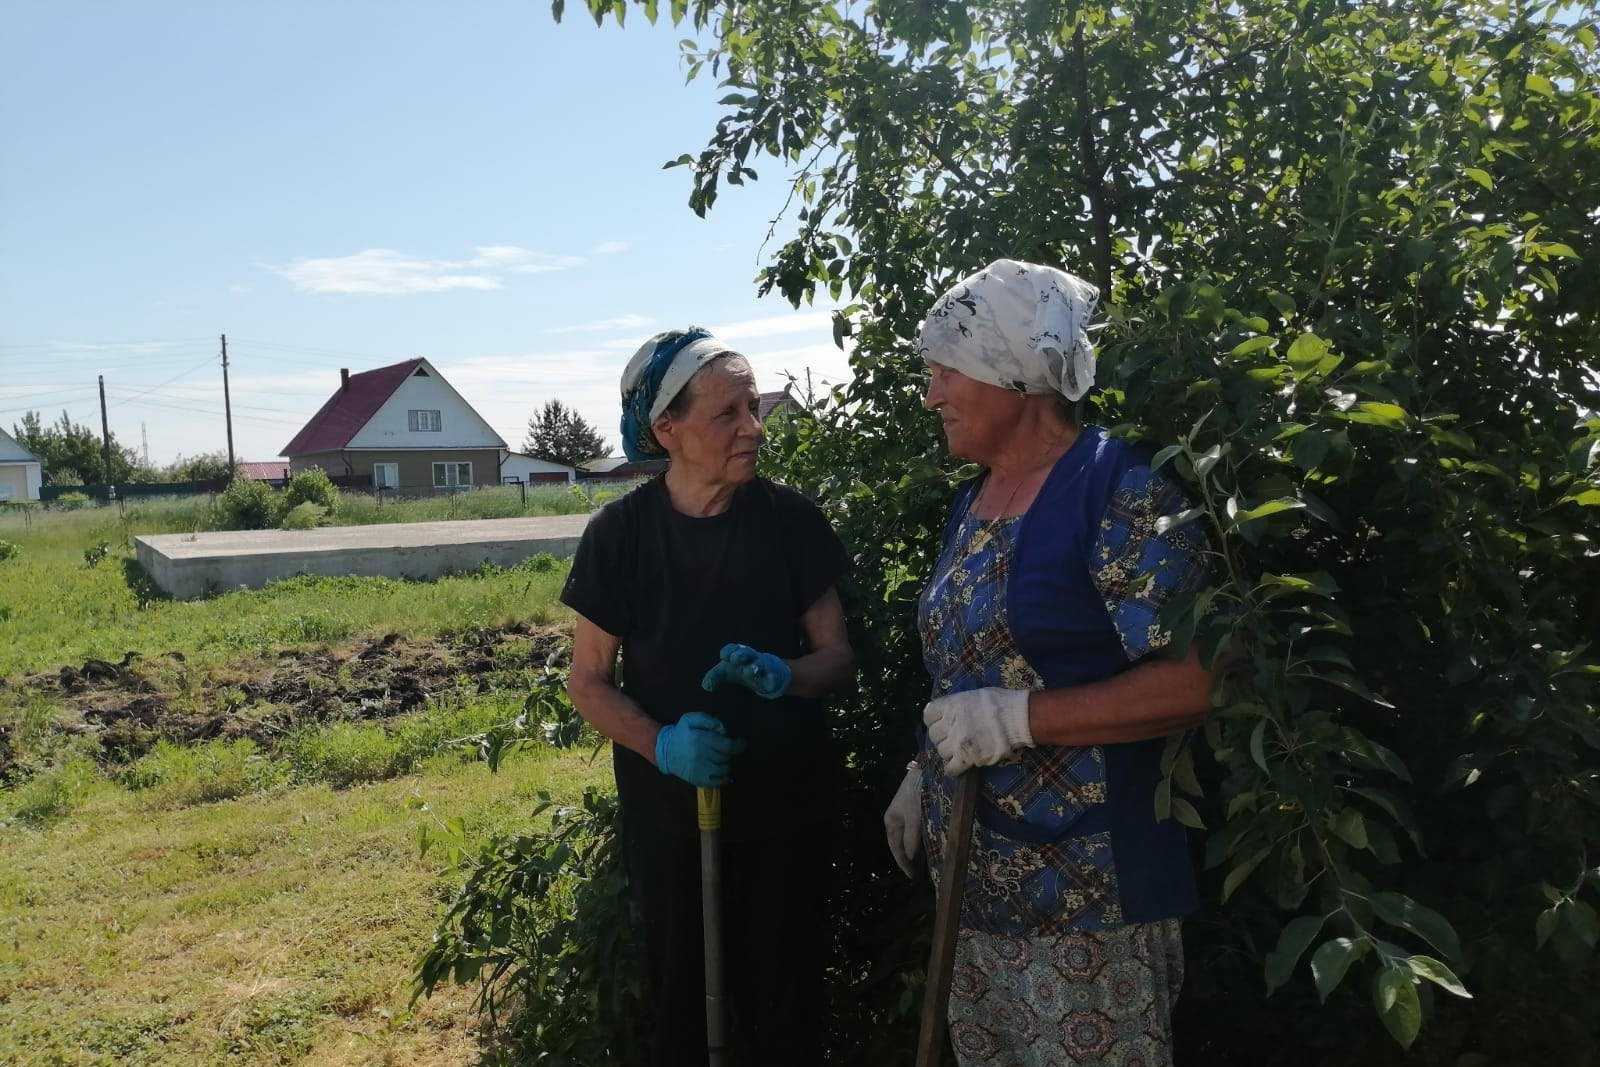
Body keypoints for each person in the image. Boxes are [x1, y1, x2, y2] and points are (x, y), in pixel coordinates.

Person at [882, 259, 1215, 1066]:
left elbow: (1198, 679)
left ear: (1009, 377)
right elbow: (969, 659)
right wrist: (929, 763)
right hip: (978, 886)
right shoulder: (974, 500)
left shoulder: (1118, 491)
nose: (930, 395)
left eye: (943, 371)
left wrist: (1015, 717)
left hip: (1091, 899)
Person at [562, 326, 855, 1067]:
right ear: (668, 429)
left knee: (786, 1009)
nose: (754, 427)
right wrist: (662, 743)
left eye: (754, 406)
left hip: (787, 814)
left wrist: (789, 673)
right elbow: (588, 680)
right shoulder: (620, 538)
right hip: (670, 824)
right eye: (728, 412)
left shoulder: (791, 523)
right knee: (684, 1011)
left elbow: (837, 657)